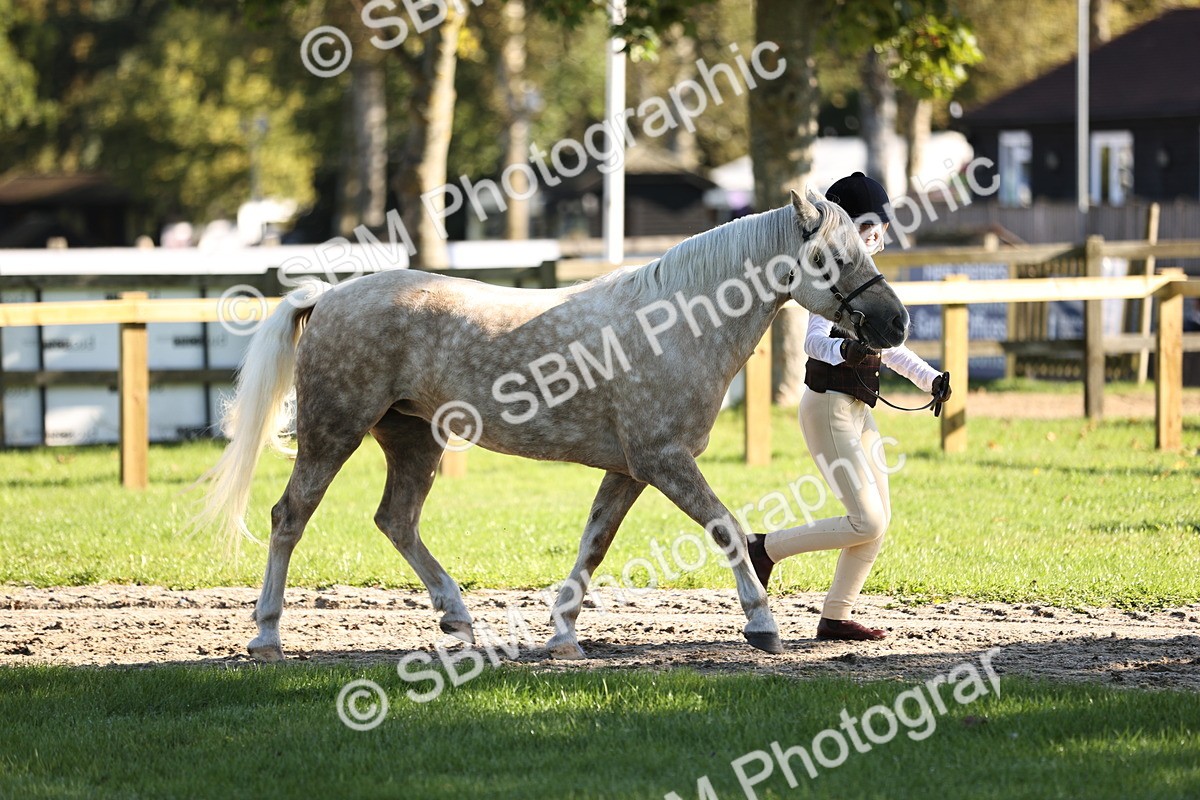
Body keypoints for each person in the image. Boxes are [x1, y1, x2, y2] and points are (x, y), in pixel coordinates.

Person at [747, 172, 951, 642]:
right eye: (875, 225)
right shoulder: (832, 282)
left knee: (876, 525)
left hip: (858, 412)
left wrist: (929, 379)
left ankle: (835, 617)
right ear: (857, 229)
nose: (883, 235)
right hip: (827, 410)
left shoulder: (865, 283)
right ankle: (763, 548)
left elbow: (892, 347)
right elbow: (814, 343)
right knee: (868, 518)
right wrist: (849, 353)